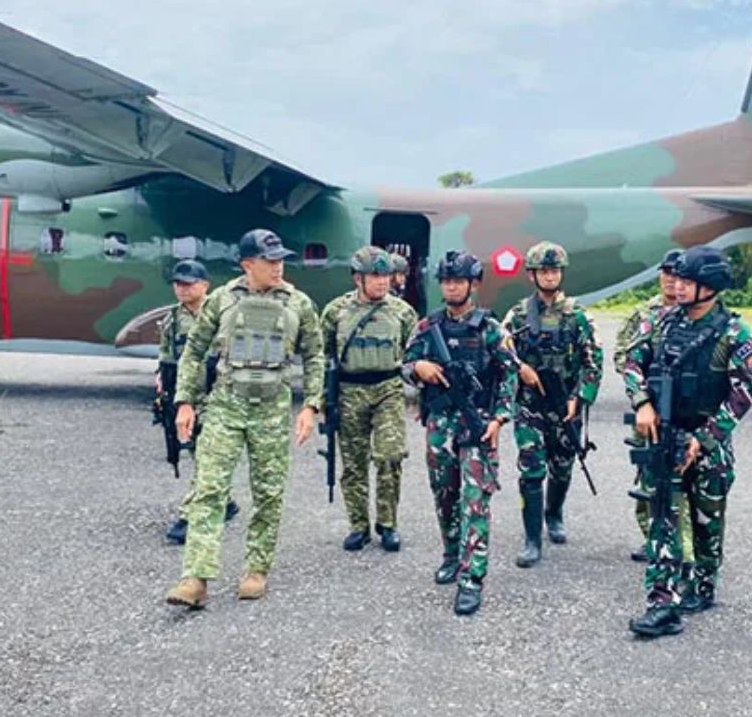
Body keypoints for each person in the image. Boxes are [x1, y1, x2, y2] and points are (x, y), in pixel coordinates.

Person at [165, 229, 324, 608]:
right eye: (270, 260)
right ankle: (196, 578)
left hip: (272, 409)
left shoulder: (299, 303)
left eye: (281, 259)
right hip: (226, 405)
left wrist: (311, 406)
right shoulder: (221, 300)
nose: (278, 266)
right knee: (209, 489)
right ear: (247, 264)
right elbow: (193, 352)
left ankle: (256, 569)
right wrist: (185, 401)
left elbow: (315, 356)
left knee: (268, 494)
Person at [622, 246, 752, 638]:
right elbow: (632, 362)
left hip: (708, 444)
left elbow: (743, 392)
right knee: (662, 518)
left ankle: (703, 584)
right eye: (677, 279)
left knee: (707, 522)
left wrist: (703, 440)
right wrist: (642, 402)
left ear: (711, 286)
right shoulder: (662, 322)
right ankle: (662, 603)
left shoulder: (733, 333)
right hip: (665, 436)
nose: (678, 286)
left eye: (688, 281)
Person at [403, 250, 518, 615]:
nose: (451, 287)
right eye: (447, 281)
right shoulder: (427, 327)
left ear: (473, 284)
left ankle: (471, 579)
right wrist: (418, 367)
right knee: (444, 494)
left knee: (474, 500)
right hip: (440, 422)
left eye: (458, 281)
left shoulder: (491, 329)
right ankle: (452, 554)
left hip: (477, 422)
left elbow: (510, 375)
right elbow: (404, 363)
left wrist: (499, 419)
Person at [500, 241, 602, 568]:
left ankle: (554, 514)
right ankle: (532, 539)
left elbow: (593, 362)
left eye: (554, 270)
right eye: (543, 271)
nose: (549, 276)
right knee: (531, 469)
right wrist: (520, 368)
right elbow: (500, 350)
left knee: (562, 466)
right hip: (530, 405)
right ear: (532, 275)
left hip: (565, 406)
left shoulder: (578, 316)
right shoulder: (518, 314)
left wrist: (579, 398)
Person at [320, 247, 418, 552]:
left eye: (386, 275)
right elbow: (323, 357)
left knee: (390, 456)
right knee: (353, 463)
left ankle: (387, 523)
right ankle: (358, 525)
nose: (382, 281)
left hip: (388, 389)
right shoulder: (336, 312)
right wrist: (322, 400)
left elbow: (415, 355)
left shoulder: (403, 312)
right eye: (375, 276)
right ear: (358, 279)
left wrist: (423, 397)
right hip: (349, 392)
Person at [612, 249, 692, 565]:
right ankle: (652, 537)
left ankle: (683, 549)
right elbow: (622, 355)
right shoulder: (643, 315)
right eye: (667, 273)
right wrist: (643, 392)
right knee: (648, 476)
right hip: (648, 409)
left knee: (682, 482)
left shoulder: (697, 316)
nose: (672, 281)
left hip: (684, 412)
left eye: (678, 275)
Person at [156, 259, 239, 544]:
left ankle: (190, 514)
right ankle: (225, 501)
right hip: (187, 394)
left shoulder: (220, 314)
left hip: (216, 393)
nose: (182, 289)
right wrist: (165, 387)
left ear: (205, 285)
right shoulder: (172, 319)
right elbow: (166, 354)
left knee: (207, 453)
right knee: (194, 449)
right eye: (178, 284)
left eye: (189, 284)